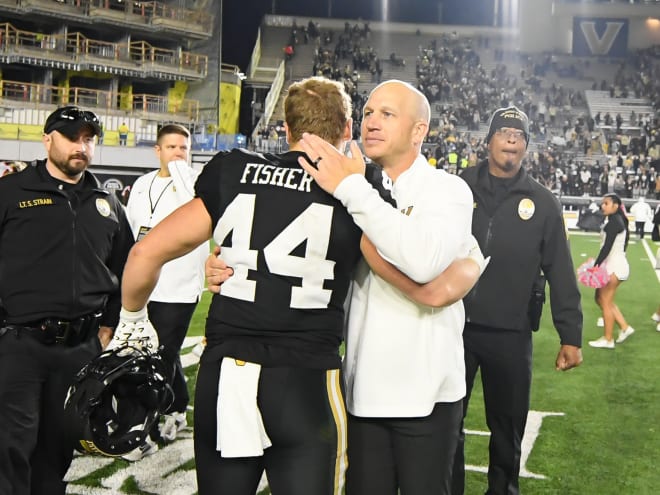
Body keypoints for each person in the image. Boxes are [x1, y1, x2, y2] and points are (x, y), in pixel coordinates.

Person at [117, 76, 398, 495]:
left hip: (229, 373)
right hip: (307, 377)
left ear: (285, 129)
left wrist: (131, 317)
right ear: (345, 129)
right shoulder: (360, 187)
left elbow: (143, 254)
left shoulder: (234, 170)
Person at [296, 80, 475, 495]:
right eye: (368, 113)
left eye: (387, 114)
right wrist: (226, 269)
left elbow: (423, 262)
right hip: (361, 394)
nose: (371, 122)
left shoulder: (447, 190)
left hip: (427, 397)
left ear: (419, 131)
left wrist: (352, 188)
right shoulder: (347, 188)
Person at [0, 106, 134, 495]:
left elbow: (124, 267)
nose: (81, 146)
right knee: (9, 444)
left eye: (88, 138)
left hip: (81, 348)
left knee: (59, 447)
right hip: (18, 343)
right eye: (72, 137)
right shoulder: (11, 192)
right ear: (47, 140)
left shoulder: (106, 202)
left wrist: (109, 323)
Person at [452, 106, 583, 495]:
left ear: (526, 147)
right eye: (504, 131)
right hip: (452, 327)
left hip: (511, 334)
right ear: (488, 140)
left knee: (507, 429)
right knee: (446, 423)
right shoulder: (457, 188)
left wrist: (570, 335)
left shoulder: (543, 203)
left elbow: (561, 269)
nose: (512, 138)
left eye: (520, 134)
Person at [123, 124, 208, 460]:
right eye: (171, 147)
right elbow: (131, 232)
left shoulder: (196, 183)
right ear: (157, 150)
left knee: (162, 356)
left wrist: (183, 175)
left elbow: (200, 209)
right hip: (146, 284)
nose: (178, 153)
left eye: (183, 148)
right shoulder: (142, 184)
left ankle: (141, 425)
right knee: (154, 353)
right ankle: (177, 406)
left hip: (180, 285)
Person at [589, 193, 634, 348]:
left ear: (615, 206)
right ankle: (624, 327)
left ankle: (608, 339)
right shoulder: (615, 220)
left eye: (606, 203)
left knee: (606, 302)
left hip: (614, 266)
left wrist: (596, 265)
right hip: (615, 264)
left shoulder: (614, 222)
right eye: (603, 203)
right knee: (600, 298)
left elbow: (607, 247)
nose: (603, 206)